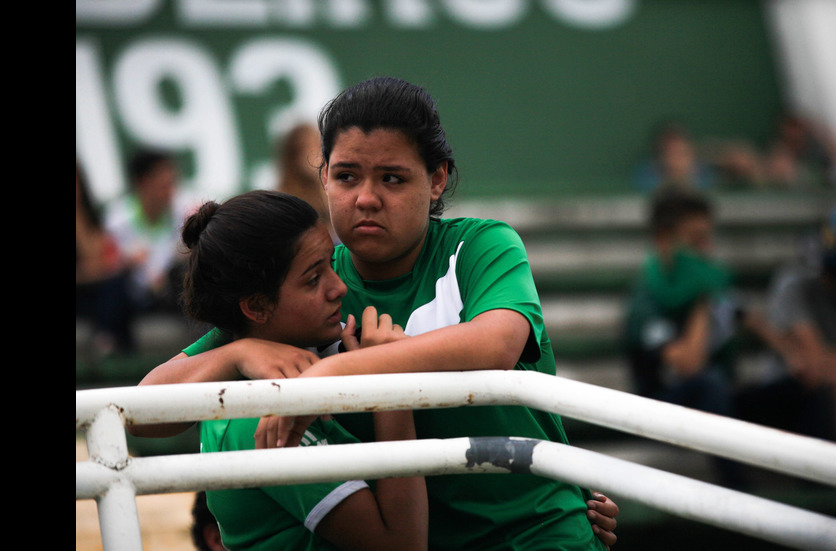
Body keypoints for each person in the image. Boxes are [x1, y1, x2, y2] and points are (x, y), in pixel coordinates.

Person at [136, 77, 618, 550]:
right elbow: (142, 413)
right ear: (322, 176)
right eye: (346, 176)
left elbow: (496, 344)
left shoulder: (480, 246)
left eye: (392, 178)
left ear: (436, 179)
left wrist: (330, 374)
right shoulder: (307, 291)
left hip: (539, 536)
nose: (366, 198)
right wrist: (237, 352)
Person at [152, 189, 428, 550]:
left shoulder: (258, 344)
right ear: (256, 307)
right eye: (314, 279)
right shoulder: (253, 420)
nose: (339, 286)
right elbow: (402, 545)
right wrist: (391, 390)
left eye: (332, 263)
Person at [738, 207, 836, 454]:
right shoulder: (796, 283)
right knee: (830, 386)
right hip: (793, 399)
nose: (828, 273)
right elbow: (818, 364)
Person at [622, 188, 746, 488]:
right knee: (711, 383)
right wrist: (703, 300)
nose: (706, 249)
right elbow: (689, 365)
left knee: (804, 389)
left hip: (720, 406)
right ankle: (747, 499)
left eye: (708, 239)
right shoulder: (646, 299)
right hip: (661, 414)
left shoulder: (718, 287)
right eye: (695, 240)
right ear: (664, 240)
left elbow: (762, 326)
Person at [103, 147, 197, 314]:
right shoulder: (117, 220)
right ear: (143, 182)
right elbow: (109, 266)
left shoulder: (184, 210)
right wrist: (127, 263)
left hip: (174, 289)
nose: (171, 191)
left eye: (172, 183)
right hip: (136, 298)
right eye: (164, 185)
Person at [76, 160, 136, 357]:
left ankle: (111, 343)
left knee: (119, 286)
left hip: (94, 289)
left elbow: (98, 257)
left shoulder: (91, 218)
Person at [631, 121, 716, 194]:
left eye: (681, 153)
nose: (676, 160)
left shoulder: (706, 175)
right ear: (660, 156)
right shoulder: (646, 175)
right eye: (671, 154)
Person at [276, 122, 332, 225]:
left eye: (317, 146)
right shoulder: (283, 201)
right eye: (305, 148)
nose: (313, 154)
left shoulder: (332, 188)